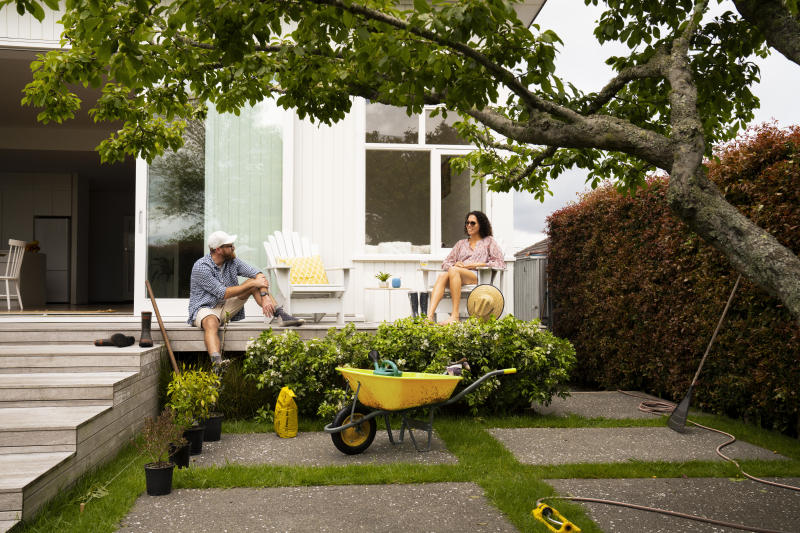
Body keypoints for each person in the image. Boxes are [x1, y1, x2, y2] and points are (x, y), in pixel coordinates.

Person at [188, 231, 305, 373]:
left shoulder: (232, 262)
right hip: (204, 308)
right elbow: (222, 293)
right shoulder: (201, 267)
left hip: (226, 307)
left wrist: (264, 294)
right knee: (212, 322)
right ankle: (217, 364)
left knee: (253, 282)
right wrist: (252, 284)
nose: (234, 248)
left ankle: (280, 315)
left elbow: (257, 274)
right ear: (218, 249)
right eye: (230, 245)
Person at [427, 211, 506, 324]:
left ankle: (455, 315)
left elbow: (500, 263)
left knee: (453, 270)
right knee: (442, 276)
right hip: (458, 276)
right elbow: (445, 263)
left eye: (473, 223)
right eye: (467, 223)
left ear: (481, 225)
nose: (469, 225)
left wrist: (480, 264)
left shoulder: (489, 241)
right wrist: (455, 265)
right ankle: (429, 317)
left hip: (478, 276)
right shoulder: (461, 244)